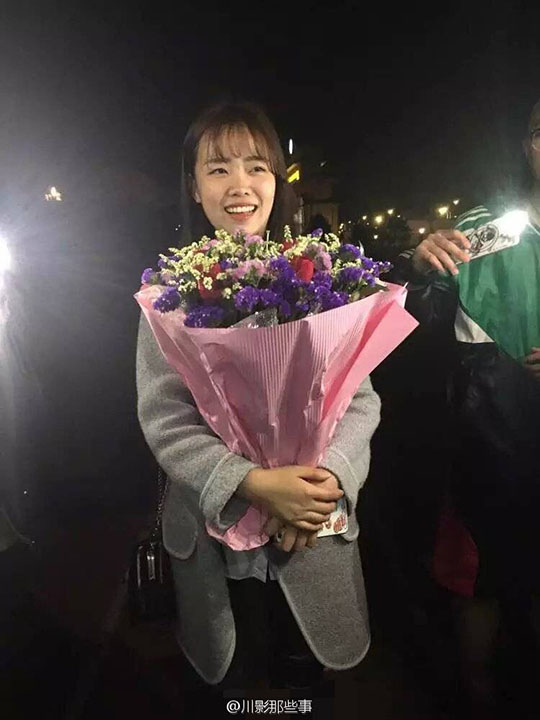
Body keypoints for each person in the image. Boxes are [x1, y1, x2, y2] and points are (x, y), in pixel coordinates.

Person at [136, 101, 381, 692]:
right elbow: (165, 416)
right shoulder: (169, 294)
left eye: (256, 167)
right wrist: (250, 482)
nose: (239, 185)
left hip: (311, 527)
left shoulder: (321, 277)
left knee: (304, 692)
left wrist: (326, 481)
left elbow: (360, 398)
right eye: (218, 168)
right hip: (217, 541)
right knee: (238, 693)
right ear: (193, 186)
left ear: (278, 180)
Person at [392, 99, 540, 711]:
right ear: (529, 145)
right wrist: (421, 260)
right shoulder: (493, 230)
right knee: (479, 580)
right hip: (493, 450)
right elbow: (413, 313)